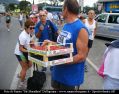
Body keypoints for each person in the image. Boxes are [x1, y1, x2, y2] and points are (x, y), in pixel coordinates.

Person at [42, 0, 90, 90]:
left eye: (62, 8)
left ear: (66, 9)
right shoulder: (66, 25)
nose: (61, 11)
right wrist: (51, 43)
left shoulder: (81, 29)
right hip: (57, 73)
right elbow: (63, 46)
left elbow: (81, 56)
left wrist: (60, 61)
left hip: (70, 79)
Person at [14, 19, 35, 89]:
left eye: (33, 27)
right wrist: (30, 50)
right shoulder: (23, 36)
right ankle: (22, 83)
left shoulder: (28, 32)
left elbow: (29, 40)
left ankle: (20, 75)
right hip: (20, 53)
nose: (32, 29)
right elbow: (21, 49)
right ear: (26, 27)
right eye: (31, 28)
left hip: (25, 51)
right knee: (25, 68)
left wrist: (32, 42)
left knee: (30, 64)